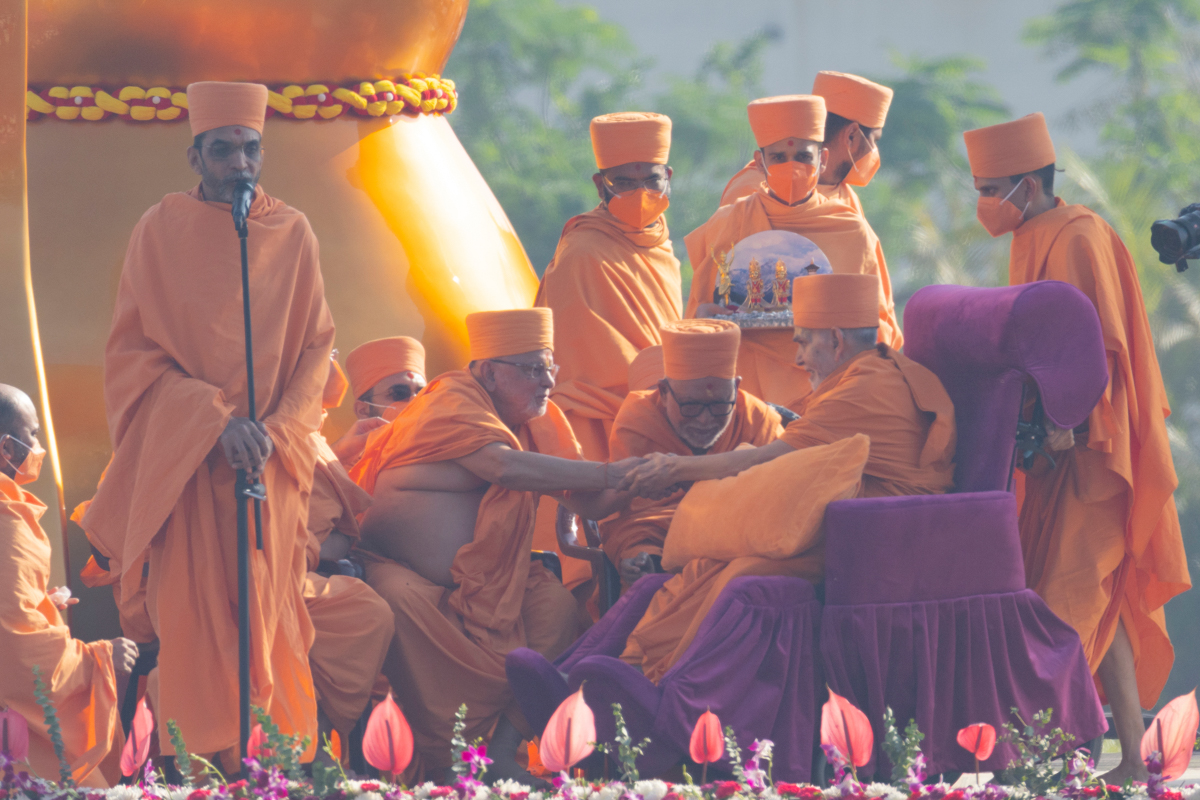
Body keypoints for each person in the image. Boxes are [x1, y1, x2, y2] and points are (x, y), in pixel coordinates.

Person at [81, 81, 333, 766]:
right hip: (191, 472)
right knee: (194, 626)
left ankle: (269, 765)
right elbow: (134, 358)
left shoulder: (292, 232)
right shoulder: (159, 230)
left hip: (268, 470)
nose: (240, 164)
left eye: (251, 149)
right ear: (195, 156)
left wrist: (274, 432)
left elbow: (317, 350)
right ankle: (199, 766)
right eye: (223, 151)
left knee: (270, 618)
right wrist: (214, 425)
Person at [963, 112, 1191, 784]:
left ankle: (1040, 756)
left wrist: (1080, 420)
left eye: (991, 189)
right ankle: (1129, 754)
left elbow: (1105, 347)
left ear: (1029, 185)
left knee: (1065, 600)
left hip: (1095, 452)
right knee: (1102, 602)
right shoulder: (1031, 234)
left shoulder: (1079, 236)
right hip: (1054, 451)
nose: (982, 204)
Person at [350, 308, 643, 783]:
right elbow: (505, 468)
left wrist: (660, 474)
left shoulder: (541, 420)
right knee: (400, 603)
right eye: (532, 369)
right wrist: (615, 473)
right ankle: (450, 763)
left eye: (551, 368)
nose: (547, 382)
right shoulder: (452, 400)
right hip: (400, 569)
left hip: (496, 578)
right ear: (488, 371)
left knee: (557, 609)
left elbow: (590, 499)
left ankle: (505, 747)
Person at [618, 275, 955, 681]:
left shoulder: (867, 387)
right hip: (848, 519)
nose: (798, 359)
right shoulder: (866, 373)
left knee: (741, 573)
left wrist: (674, 469)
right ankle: (635, 665)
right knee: (710, 562)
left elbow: (766, 460)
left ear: (835, 339)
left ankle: (674, 681)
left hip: (876, 535)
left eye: (801, 341)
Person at [534, 112, 682, 598]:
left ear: (669, 179)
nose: (639, 192)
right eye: (624, 182)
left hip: (677, 412)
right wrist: (650, 399)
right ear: (600, 184)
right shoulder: (581, 251)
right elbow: (574, 355)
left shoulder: (663, 247)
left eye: (650, 179)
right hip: (601, 424)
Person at [685, 95, 901, 414]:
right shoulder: (727, 224)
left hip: (830, 396)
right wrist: (705, 317)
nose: (791, 167)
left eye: (803, 156)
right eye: (778, 157)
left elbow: (879, 326)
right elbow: (695, 321)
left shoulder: (853, 231)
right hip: (746, 396)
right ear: (760, 163)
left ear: (823, 158)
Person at [0, 385, 137, 786]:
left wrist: (43, 603)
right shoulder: (7, 524)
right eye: (33, 434)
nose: (39, 445)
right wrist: (97, 660)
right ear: (6, 449)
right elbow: (14, 646)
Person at [602, 320, 782, 586]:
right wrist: (634, 556)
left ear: (736, 386)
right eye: (691, 406)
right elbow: (634, 516)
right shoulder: (639, 420)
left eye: (720, 405)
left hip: (738, 547)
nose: (704, 420)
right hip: (660, 541)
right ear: (663, 392)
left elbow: (775, 504)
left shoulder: (759, 420)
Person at [304, 356, 393, 748]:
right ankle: (306, 743)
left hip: (297, 571)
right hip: (235, 574)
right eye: (401, 393)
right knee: (366, 609)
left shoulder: (316, 444)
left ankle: (316, 737)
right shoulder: (250, 433)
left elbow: (340, 533)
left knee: (370, 609)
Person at [719, 70, 894, 219]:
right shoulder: (753, 191)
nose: (874, 151)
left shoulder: (847, 198)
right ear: (851, 136)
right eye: (874, 140)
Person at [330, 336, 428, 467]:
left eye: (423, 393)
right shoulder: (344, 470)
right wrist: (339, 456)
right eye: (399, 393)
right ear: (363, 410)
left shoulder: (451, 447)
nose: (415, 400)